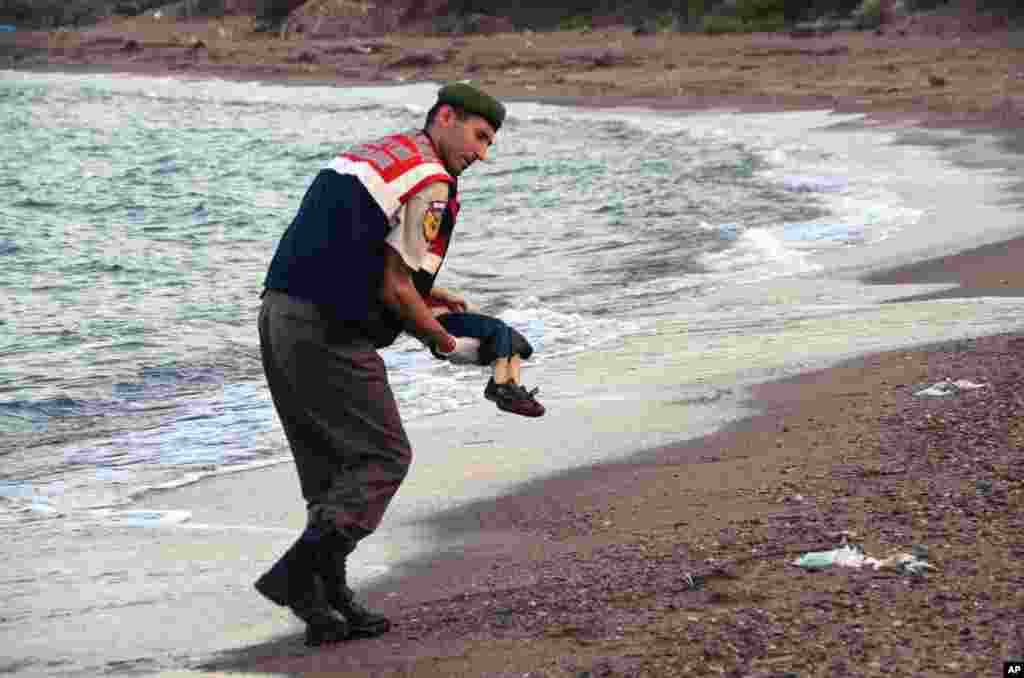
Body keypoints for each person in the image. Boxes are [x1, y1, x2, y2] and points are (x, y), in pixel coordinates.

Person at [254, 83, 507, 646]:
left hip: (278, 314)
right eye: (479, 136)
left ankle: (328, 604)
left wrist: (426, 297)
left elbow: (351, 243)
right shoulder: (433, 180)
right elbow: (396, 289)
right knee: (383, 456)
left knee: (328, 471)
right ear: (446, 117)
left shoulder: (378, 152)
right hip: (327, 330)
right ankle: (297, 578)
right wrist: (444, 342)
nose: (482, 154)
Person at [424, 291, 545, 417]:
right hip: (438, 321)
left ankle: (506, 388)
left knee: (522, 346)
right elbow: (415, 286)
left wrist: (443, 296)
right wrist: (444, 295)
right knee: (500, 329)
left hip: (449, 322)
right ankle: (502, 386)